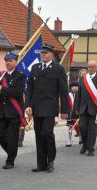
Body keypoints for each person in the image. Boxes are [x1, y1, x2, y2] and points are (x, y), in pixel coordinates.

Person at [26, 43, 69, 173]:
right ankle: (41, 163)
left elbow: (63, 91)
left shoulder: (58, 69)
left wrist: (65, 111)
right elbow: (30, 89)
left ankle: (50, 161)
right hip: (37, 107)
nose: (42, 55)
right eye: (41, 53)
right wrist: (28, 105)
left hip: (50, 107)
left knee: (47, 133)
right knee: (39, 135)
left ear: (51, 54)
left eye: (45, 53)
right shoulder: (35, 68)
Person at [0, 51, 26, 169]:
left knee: (12, 137)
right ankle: (11, 152)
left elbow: (17, 93)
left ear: (16, 62)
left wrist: (1, 88)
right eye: (6, 60)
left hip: (14, 112)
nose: (8, 63)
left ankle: (10, 160)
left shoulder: (20, 76)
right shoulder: (2, 75)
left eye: (10, 60)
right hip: (2, 111)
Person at [74, 60, 97, 156]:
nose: (90, 69)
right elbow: (78, 95)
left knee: (92, 129)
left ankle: (90, 148)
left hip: (95, 108)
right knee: (82, 127)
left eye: (92, 67)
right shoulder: (82, 79)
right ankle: (85, 144)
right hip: (83, 108)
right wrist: (76, 107)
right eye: (89, 67)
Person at [66, 81, 80, 147]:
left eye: (76, 86)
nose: (74, 88)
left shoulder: (80, 94)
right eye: (73, 86)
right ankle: (69, 140)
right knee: (70, 127)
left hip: (78, 114)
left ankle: (81, 138)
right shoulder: (68, 95)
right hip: (71, 114)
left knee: (80, 127)